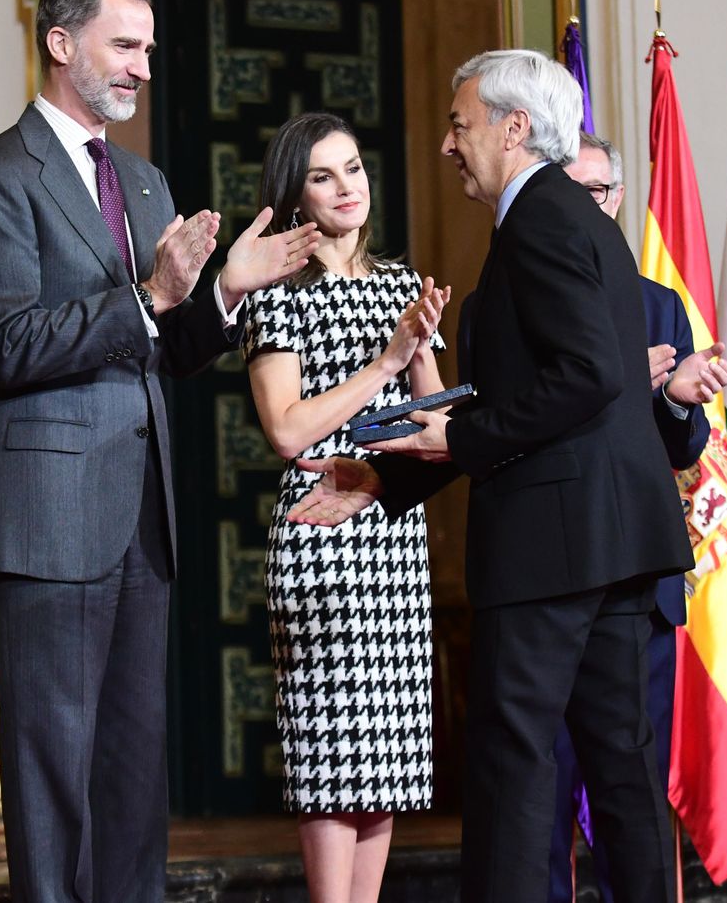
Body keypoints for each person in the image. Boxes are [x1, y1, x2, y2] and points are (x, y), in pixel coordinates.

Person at [0, 0, 320, 903]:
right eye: (126, 45)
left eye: (150, 48)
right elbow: (8, 344)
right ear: (61, 44)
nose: (144, 68)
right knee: (53, 770)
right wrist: (150, 293)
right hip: (46, 516)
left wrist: (227, 287)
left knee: (132, 770)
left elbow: (166, 347)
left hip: (140, 517)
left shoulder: (144, 181)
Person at [288, 49, 692, 903]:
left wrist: (458, 439)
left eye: (460, 123)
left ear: (515, 128)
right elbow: (537, 403)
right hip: (612, 542)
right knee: (620, 765)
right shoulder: (577, 219)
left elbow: (585, 379)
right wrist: (383, 481)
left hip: (554, 551)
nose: (446, 144)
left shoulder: (541, 217)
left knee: (513, 762)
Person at [242, 112, 450, 902]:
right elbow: (287, 428)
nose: (346, 188)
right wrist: (387, 360)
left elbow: (437, 429)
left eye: (354, 169)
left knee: (385, 762)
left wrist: (424, 351)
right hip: (321, 535)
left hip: (393, 534)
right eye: (324, 176)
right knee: (334, 762)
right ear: (296, 196)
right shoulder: (277, 292)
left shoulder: (400, 285)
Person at [548, 132, 727, 901]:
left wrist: (672, 398)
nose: (587, 206)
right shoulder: (539, 292)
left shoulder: (660, 304)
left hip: (641, 591)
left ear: (617, 199)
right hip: (554, 574)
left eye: (597, 193)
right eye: (572, 192)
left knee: (633, 790)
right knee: (544, 791)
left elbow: (684, 449)